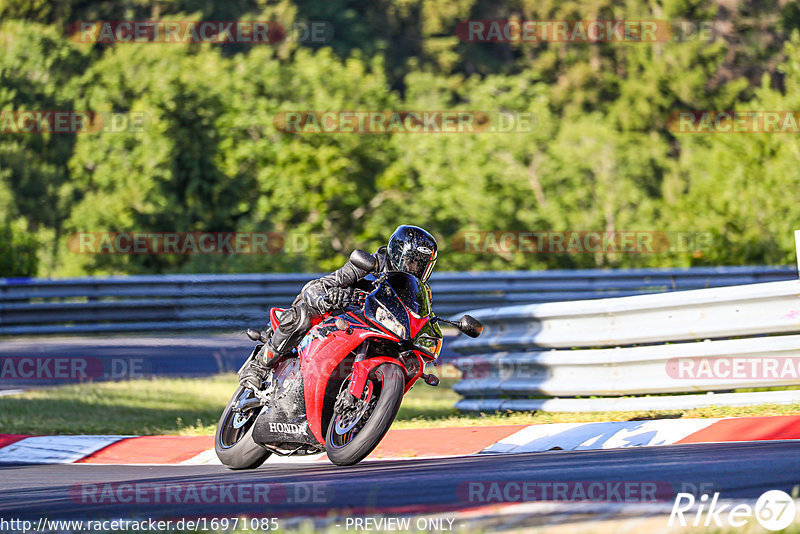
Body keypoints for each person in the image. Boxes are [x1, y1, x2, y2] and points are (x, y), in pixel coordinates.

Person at [239, 224, 438, 390]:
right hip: (338, 313)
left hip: (373, 330)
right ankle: (258, 367)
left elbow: (420, 319)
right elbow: (325, 283)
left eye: (420, 265)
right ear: (396, 253)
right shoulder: (372, 263)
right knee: (304, 316)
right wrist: (330, 295)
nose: (414, 269)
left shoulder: (420, 292)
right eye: (411, 262)